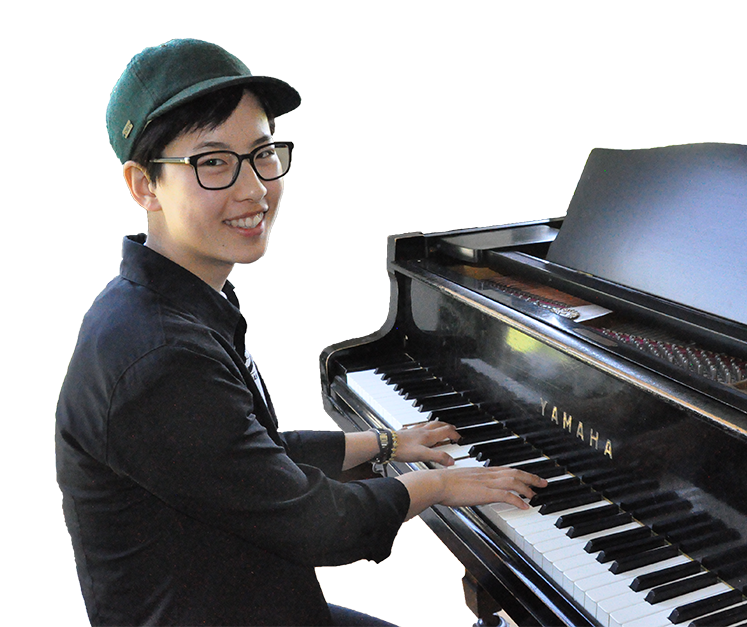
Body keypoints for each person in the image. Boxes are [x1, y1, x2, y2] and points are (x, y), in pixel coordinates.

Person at [54, 39, 546, 627]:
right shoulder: (156, 354)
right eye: (213, 162)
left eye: (263, 154)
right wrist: (439, 486)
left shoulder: (175, 302)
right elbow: (317, 525)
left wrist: (387, 444)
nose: (254, 189)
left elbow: (250, 452)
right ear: (144, 185)